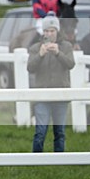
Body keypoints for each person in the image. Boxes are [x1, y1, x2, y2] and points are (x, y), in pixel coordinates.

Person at [27, 13, 75, 152]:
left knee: (60, 132)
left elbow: (70, 64)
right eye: (46, 31)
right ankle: (36, 160)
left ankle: (59, 160)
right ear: (43, 32)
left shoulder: (66, 46)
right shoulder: (35, 48)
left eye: (52, 31)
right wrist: (40, 55)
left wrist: (58, 53)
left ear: (57, 31)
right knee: (40, 132)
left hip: (61, 95)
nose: (49, 34)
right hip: (42, 96)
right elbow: (30, 68)